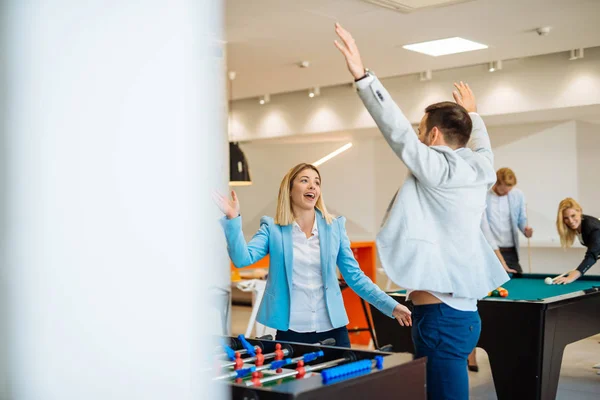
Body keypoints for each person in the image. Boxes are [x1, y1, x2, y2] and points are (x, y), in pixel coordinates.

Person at [333, 23, 509, 399]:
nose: (415, 135)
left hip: (440, 318)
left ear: (432, 136)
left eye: (420, 130)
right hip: (463, 316)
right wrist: (474, 116)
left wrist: (363, 77)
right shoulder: (480, 170)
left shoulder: (438, 168)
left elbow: (394, 130)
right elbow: (483, 147)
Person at [215, 163, 412, 348]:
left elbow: (355, 277)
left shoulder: (334, 228)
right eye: (304, 180)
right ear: (289, 190)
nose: (313, 186)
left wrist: (391, 306)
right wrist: (233, 220)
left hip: (333, 331)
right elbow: (242, 259)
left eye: (317, 182)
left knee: (341, 385)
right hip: (291, 331)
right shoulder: (272, 229)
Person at [481, 168, 534, 274]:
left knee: (518, 280)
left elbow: (521, 219)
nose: (507, 192)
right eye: (504, 190)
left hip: (511, 252)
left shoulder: (518, 195)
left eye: (509, 189)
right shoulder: (483, 196)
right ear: (496, 183)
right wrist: (501, 261)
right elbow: (485, 231)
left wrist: (525, 230)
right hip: (490, 251)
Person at [553, 198, 600, 284]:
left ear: (580, 212)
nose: (570, 221)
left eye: (573, 215)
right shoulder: (580, 227)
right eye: (566, 218)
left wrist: (571, 277)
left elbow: (591, 255)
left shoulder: (592, 227)